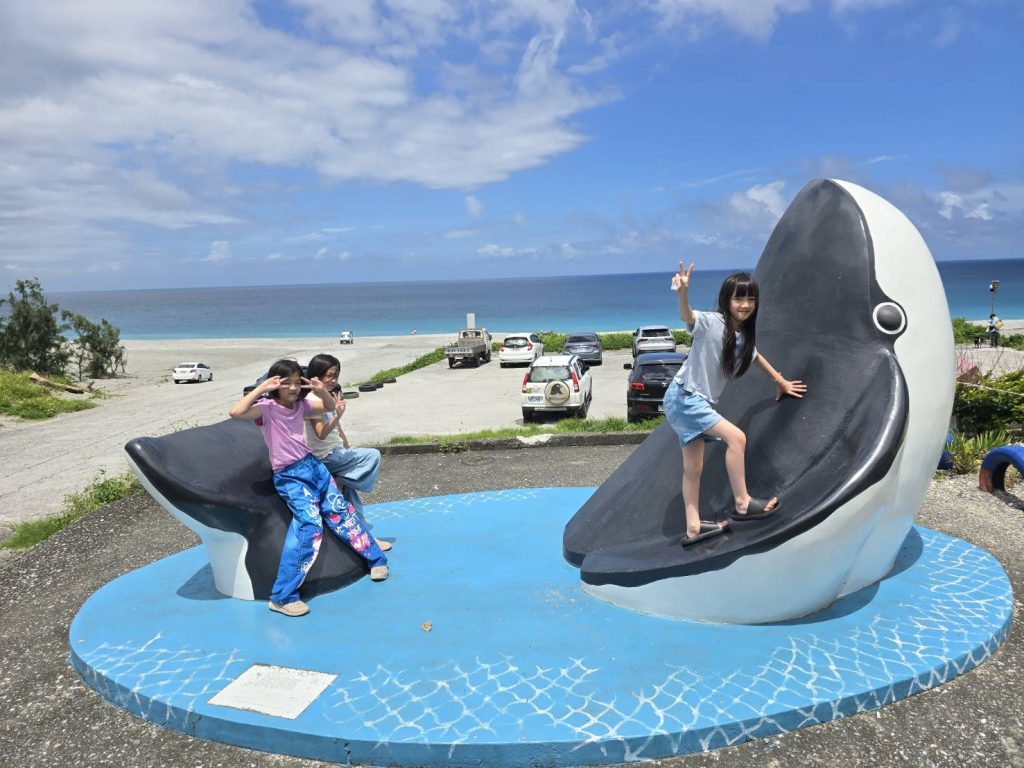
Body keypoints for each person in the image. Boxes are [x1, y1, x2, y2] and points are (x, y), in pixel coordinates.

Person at [229, 358, 388, 618]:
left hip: (313, 466)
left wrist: (320, 390)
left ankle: (376, 559)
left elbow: (330, 407)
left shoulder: (301, 406)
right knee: (309, 525)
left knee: (341, 512)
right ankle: (282, 597)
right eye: (286, 383)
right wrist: (262, 388)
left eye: (296, 382)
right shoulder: (267, 409)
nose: (293, 388)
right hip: (290, 476)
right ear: (276, 384)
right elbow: (236, 413)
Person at [664, 262, 807, 546]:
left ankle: (693, 526)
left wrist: (780, 381)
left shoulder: (741, 336)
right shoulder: (711, 323)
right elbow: (687, 315)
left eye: (751, 299)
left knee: (694, 468)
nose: (745, 305)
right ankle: (742, 502)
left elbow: (755, 356)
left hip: (684, 399)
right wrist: (683, 293)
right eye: (739, 298)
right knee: (737, 438)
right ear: (726, 300)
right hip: (685, 397)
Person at [304, 353, 391, 552]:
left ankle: (364, 536)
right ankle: (339, 480)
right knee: (372, 456)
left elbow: (336, 429)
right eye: (329, 375)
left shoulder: (327, 396)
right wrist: (338, 414)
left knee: (351, 499)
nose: (333, 380)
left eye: (336, 375)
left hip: (336, 451)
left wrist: (346, 444)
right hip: (326, 456)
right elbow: (321, 434)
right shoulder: (312, 400)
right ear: (316, 375)